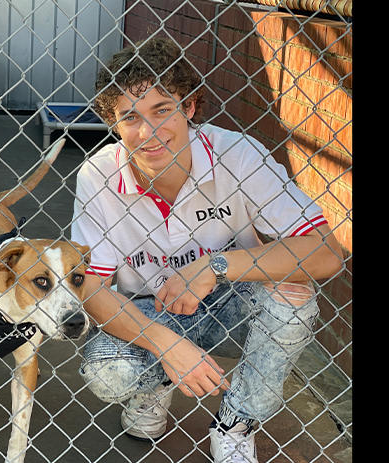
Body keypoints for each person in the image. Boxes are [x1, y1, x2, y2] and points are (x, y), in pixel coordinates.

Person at [70, 37, 343, 463]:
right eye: (130, 118)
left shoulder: (237, 154)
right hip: (150, 308)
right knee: (110, 371)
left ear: (190, 108)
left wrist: (216, 265)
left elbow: (325, 252)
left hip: (233, 299)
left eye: (163, 109)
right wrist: (164, 344)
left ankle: (236, 421)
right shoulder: (98, 175)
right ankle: (154, 386)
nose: (150, 132)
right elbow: (89, 287)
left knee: (294, 295)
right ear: (114, 124)